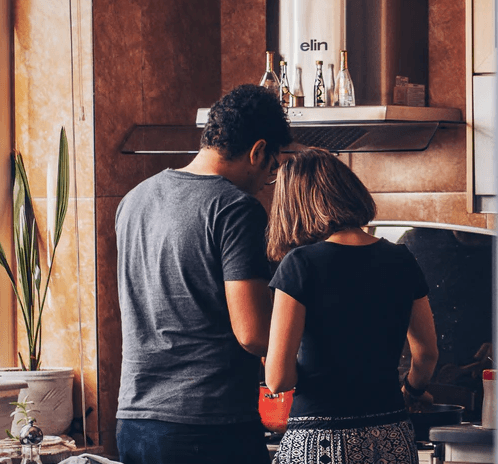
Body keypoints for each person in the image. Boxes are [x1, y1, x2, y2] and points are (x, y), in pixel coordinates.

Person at [115, 84, 292, 464]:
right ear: (258, 151)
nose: (267, 183)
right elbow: (253, 334)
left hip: (134, 420)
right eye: (271, 169)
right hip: (207, 426)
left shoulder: (134, 200)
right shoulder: (236, 208)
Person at [264, 147, 439, 464]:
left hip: (320, 441)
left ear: (294, 206)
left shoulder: (300, 265)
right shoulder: (401, 258)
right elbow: (426, 353)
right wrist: (412, 392)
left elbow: (278, 379)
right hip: (391, 434)